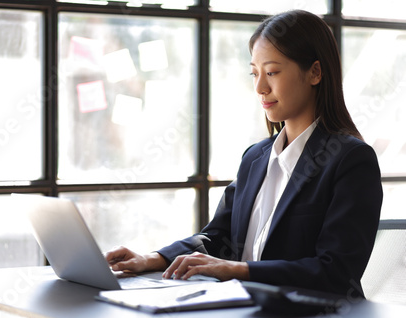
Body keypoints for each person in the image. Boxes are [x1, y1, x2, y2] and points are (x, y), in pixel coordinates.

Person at [105, 10, 383, 297]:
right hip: (246, 311)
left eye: (272, 72)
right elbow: (216, 237)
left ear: (315, 72)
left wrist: (236, 270)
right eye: (254, 73)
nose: (260, 87)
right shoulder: (255, 157)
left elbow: (336, 272)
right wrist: (151, 259)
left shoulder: (350, 160)